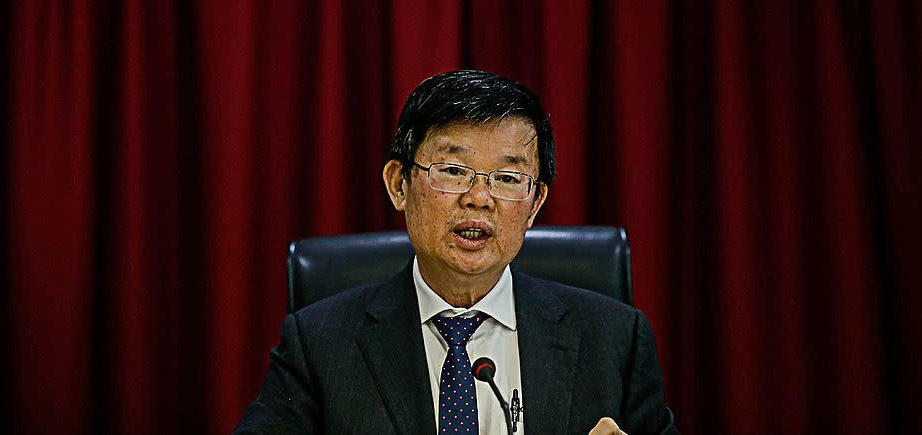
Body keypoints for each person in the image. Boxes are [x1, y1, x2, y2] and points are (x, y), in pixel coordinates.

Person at [235, 70, 678, 434]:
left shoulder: (615, 340)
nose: (479, 198)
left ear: (535, 203)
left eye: (507, 179)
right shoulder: (319, 344)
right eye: (453, 170)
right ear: (398, 184)